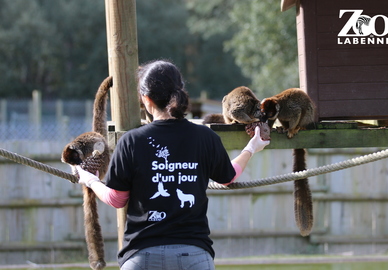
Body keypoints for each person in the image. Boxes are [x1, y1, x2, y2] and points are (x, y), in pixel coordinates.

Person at [76, 60, 270, 270]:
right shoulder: (205, 136)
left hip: (142, 256)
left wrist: (91, 180)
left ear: (146, 98)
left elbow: (116, 199)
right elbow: (228, 177)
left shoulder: (131, 141)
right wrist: (251, 148)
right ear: (180, 91)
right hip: (194, 256)